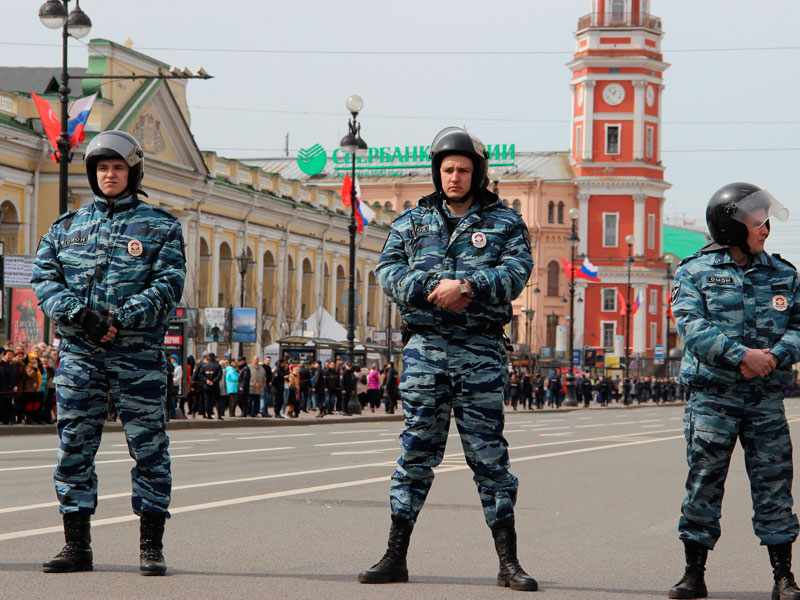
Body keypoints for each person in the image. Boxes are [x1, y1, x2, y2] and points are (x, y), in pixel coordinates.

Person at [360, 126, 535, 591]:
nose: (454, 177)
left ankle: (508, 563)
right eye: (447, 169)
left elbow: (517, 274)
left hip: (479, 351)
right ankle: (394, 556)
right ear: (438, 173)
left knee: (489, 457)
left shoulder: (505, 223)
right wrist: (434, 290)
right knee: (416, 451)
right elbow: (388, 271)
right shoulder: (410, 222)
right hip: (425, 352)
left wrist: (470, 287)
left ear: (477, 173)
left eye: (463, 169)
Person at [32, 130, 186, 575]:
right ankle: (76, 545)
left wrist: (120, 317)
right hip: (81, 358)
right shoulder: (66, 229)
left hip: (138, 359)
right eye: (102, 168)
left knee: (149, 449)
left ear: (132, 172)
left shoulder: (160, 226)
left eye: (118, 168)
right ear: (92, 174)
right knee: (74, 447)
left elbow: (168, 285)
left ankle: (151, 547)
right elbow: (45, 281)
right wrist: (81, 316)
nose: (109, 175)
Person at [668, 182, 800, 600]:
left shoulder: (784, 274)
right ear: (731, 225)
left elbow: (799, 327)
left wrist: (774, 357)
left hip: (765, 399)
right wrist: (742, 355)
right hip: (712, 399)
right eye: (757, 220)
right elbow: (692, 327)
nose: (765, 228)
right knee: (704, 483)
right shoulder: (694, 271)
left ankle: (784, 577)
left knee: (775, 486)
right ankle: (694, 574)